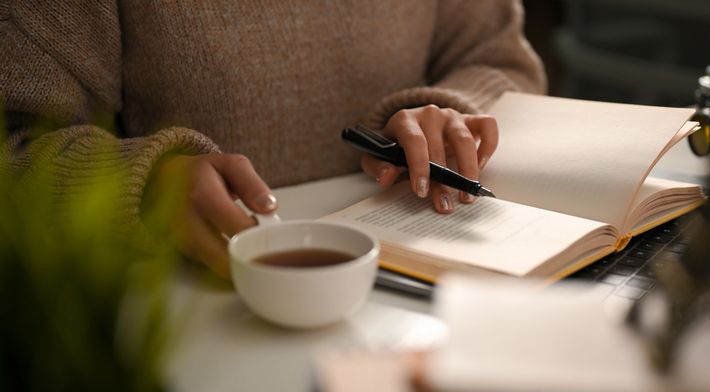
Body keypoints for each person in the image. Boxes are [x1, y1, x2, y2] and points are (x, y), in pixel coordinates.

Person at [1, 1, 546, 277]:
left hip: (417, 306)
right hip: (183, 313)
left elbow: (500, 60)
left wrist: (451, 113)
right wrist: (143, 182)